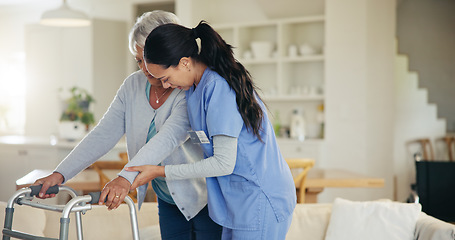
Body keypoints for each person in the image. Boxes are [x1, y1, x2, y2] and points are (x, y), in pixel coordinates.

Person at [33, 12, 222, 239]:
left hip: (203, 196)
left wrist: (125, 178)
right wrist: (61, 173)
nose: (145, 68)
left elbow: (168, 137)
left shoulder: (187, 87)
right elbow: (103, 134)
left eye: (149, 58)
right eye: (139, 60)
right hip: (167, 197)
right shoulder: (132, 86)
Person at [125, 21, 297, 239]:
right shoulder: (194, 89)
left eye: (166, 78)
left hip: (259, 199)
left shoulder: (218, 88)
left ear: (185, 63)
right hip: (237, 201)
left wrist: (161, 171)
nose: (165, 86)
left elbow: (223, 163)